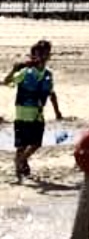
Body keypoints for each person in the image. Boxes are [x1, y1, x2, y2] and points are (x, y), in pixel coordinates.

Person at [4, 39, 62, 182]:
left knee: (36, 143)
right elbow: (7, 81)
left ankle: (21, 161)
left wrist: (57, 112)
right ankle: (19, 172)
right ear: (32, 56)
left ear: (49, 56)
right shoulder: (25, 71)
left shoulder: (48, 74)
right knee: (21, 145)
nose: (41, 57)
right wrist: (14, 69)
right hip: (22, 113)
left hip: (37, 114)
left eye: (44, 54)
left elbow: (51, 93)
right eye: (38, 55)